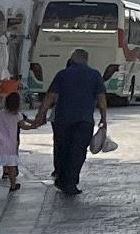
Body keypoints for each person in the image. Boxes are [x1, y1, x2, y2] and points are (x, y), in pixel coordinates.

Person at [33, 50, 107, 196]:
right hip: (84, 120)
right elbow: (101, 99)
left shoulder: (62, 74)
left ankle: (61, 178)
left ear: (72, 60)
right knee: (78, 152)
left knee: (62, 149)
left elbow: (50, 97)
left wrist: (40, 115)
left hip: (62, 120)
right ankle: (71, 183)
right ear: (86, 60)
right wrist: (104, 119)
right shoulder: (95, 75)